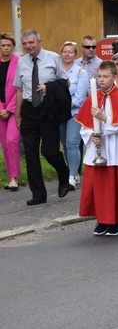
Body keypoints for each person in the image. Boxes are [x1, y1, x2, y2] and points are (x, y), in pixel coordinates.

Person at [76, 60, 118, 237]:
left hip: (116, 150)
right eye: (99, 76)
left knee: (114, 186)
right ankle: (102, 220)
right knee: (99, 187)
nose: (102, 80)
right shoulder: (93, 98)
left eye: (106, 76)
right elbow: (84, 126)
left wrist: (103, 118)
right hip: (99, 149)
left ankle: (115, 222)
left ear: (114, 77)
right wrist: (92, 136)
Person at [14, 29, 71, 205]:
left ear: (39, 41)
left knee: (49, 151)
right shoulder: (21, 62)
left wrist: (49, 87)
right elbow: (19, 90)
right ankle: (38, 194)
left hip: (48, 109)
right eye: (24, 44)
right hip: (29, 111)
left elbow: (65, 82)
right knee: (30, 154)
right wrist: (17, 115)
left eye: (31, 42)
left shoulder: (53, 58)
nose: (28, 46)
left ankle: (64, 173)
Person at [59, 41, 88, 190]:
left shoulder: (80, 73)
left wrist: (62, 104)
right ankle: (72, 170)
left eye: (70, 52)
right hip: (59, 114)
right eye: (65, 51)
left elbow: (80, 98)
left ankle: (72, 175)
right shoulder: (56, 72)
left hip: (74, 113)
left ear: (75, 55)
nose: (67, 54)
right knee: (64, 144)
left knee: (72, 143)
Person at [0, 34, 20, 191]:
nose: (6, 48)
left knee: (12, 140)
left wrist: (10, 109)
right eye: (3, 45)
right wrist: (1, 109)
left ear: (13, 46)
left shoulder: (19, 62)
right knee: (5, 144)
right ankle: (11, 178)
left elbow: (21, 87)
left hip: (15, 108)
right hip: (0, 109)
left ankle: (15, 178)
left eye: (8, 45)